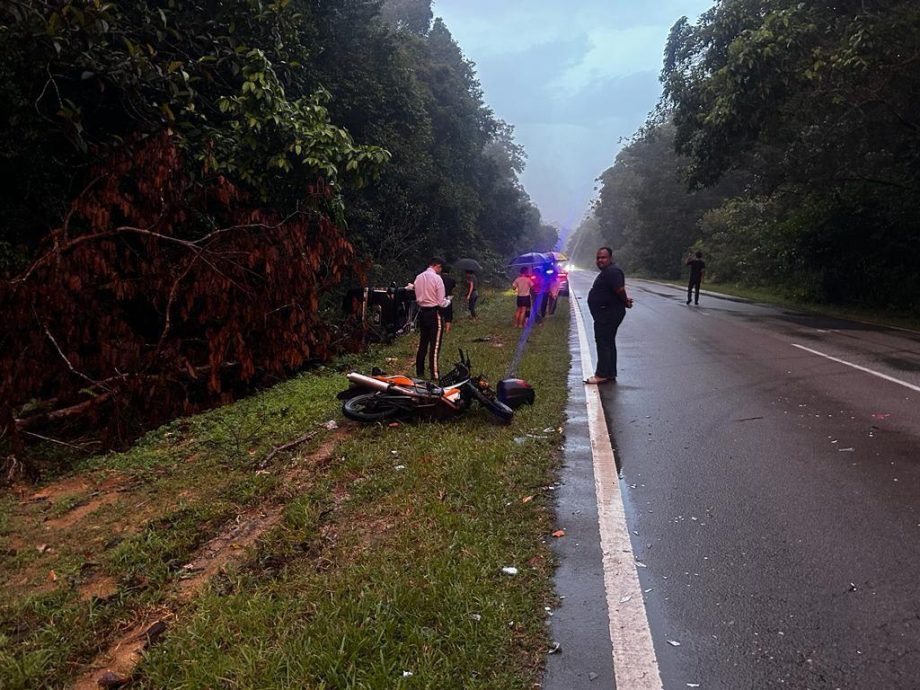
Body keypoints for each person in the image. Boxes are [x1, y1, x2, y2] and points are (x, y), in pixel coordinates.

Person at [586, 247, 633, 384]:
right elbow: (614, 291)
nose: (600, 260)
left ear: (610, 258)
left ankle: (601, 374)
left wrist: (625, 302)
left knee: (603, 342)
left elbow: (620, 289)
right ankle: (610, 373)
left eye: (603, 257)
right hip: (608, 311)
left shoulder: (612, 271)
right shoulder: (608, 271)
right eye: (598, 258)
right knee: (608, 342)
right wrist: (624, 301)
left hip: (608, 313)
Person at [413, 257, 450, 380]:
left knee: (423, 343)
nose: (440, 270)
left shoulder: (418, 277)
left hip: (422, 312)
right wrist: (448, 301)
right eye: (440, 268)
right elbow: (441, 302)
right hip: (434, 313)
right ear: (437, 265)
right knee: (435, 345)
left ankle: (419, 372)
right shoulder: (437, 278)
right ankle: (434, 374)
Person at [441, 266, 457, 335]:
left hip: (440, 298)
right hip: (448, 298)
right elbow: (454, 287)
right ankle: (447, 330)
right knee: (448, 314)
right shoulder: (452, 280)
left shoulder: (439, 278)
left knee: (440, 314)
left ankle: (440, 328)